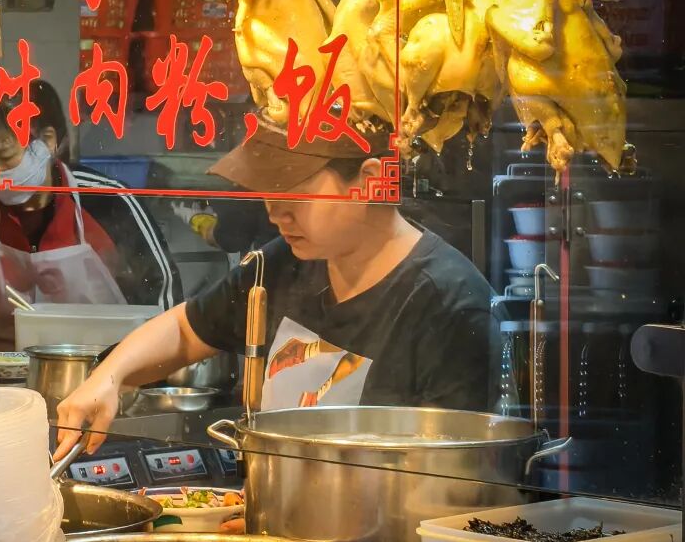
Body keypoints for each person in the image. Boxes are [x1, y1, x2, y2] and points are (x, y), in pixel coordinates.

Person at [54, 118, 498, 459]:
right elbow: (188, 329)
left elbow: (449, 480)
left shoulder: (449, 305)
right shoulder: (288, 261)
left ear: (367, 181)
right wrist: (108, 377)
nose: (274, 212)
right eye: (267, 190)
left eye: (294, 192)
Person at [0, 79, 181, 349]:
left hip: (100, 370)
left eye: (5, 156)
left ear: (48, 141)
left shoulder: (108, 203)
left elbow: (163, 302)